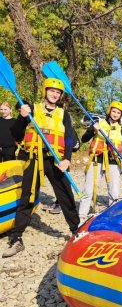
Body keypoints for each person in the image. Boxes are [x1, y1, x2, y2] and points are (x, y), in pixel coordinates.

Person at [3, 79, 80, 258]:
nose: (55, 94)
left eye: (58, 92)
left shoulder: (63, 114)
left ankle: (77, 231)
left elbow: (69, 138)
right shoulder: (31, 109)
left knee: (65, 195)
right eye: (51, 91)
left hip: (55, 159)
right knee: (27, 196)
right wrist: (23, 117)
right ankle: (17, 238)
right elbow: (15, 133)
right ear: (45, 91)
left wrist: (67, 159)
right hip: (32, 157)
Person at [79, 101, 122, 220]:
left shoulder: (121, 130)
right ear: (109, 111)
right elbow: (84, 139)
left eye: (118, 113)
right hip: (96, 160)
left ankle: (112, 215)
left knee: (114, 191)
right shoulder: (98, 124)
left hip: (113, 161)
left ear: (121, 115)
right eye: (114, 111)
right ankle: (82, 216)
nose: (116, 114)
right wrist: (93, 130)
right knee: (88, 189)